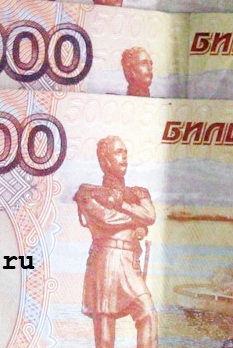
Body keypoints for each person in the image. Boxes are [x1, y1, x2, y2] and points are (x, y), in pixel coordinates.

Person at [74, 136, 158, 348]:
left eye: (125, 152)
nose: (124, 157)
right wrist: (135, 220)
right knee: (105, 335)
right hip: (106, 261)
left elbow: (150, 216)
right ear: (105, 160)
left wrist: (121, 204)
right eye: (118, 152)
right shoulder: (88, 193)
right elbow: (106, 219)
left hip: (130, 263)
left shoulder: (137, 193)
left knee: (147, 311)